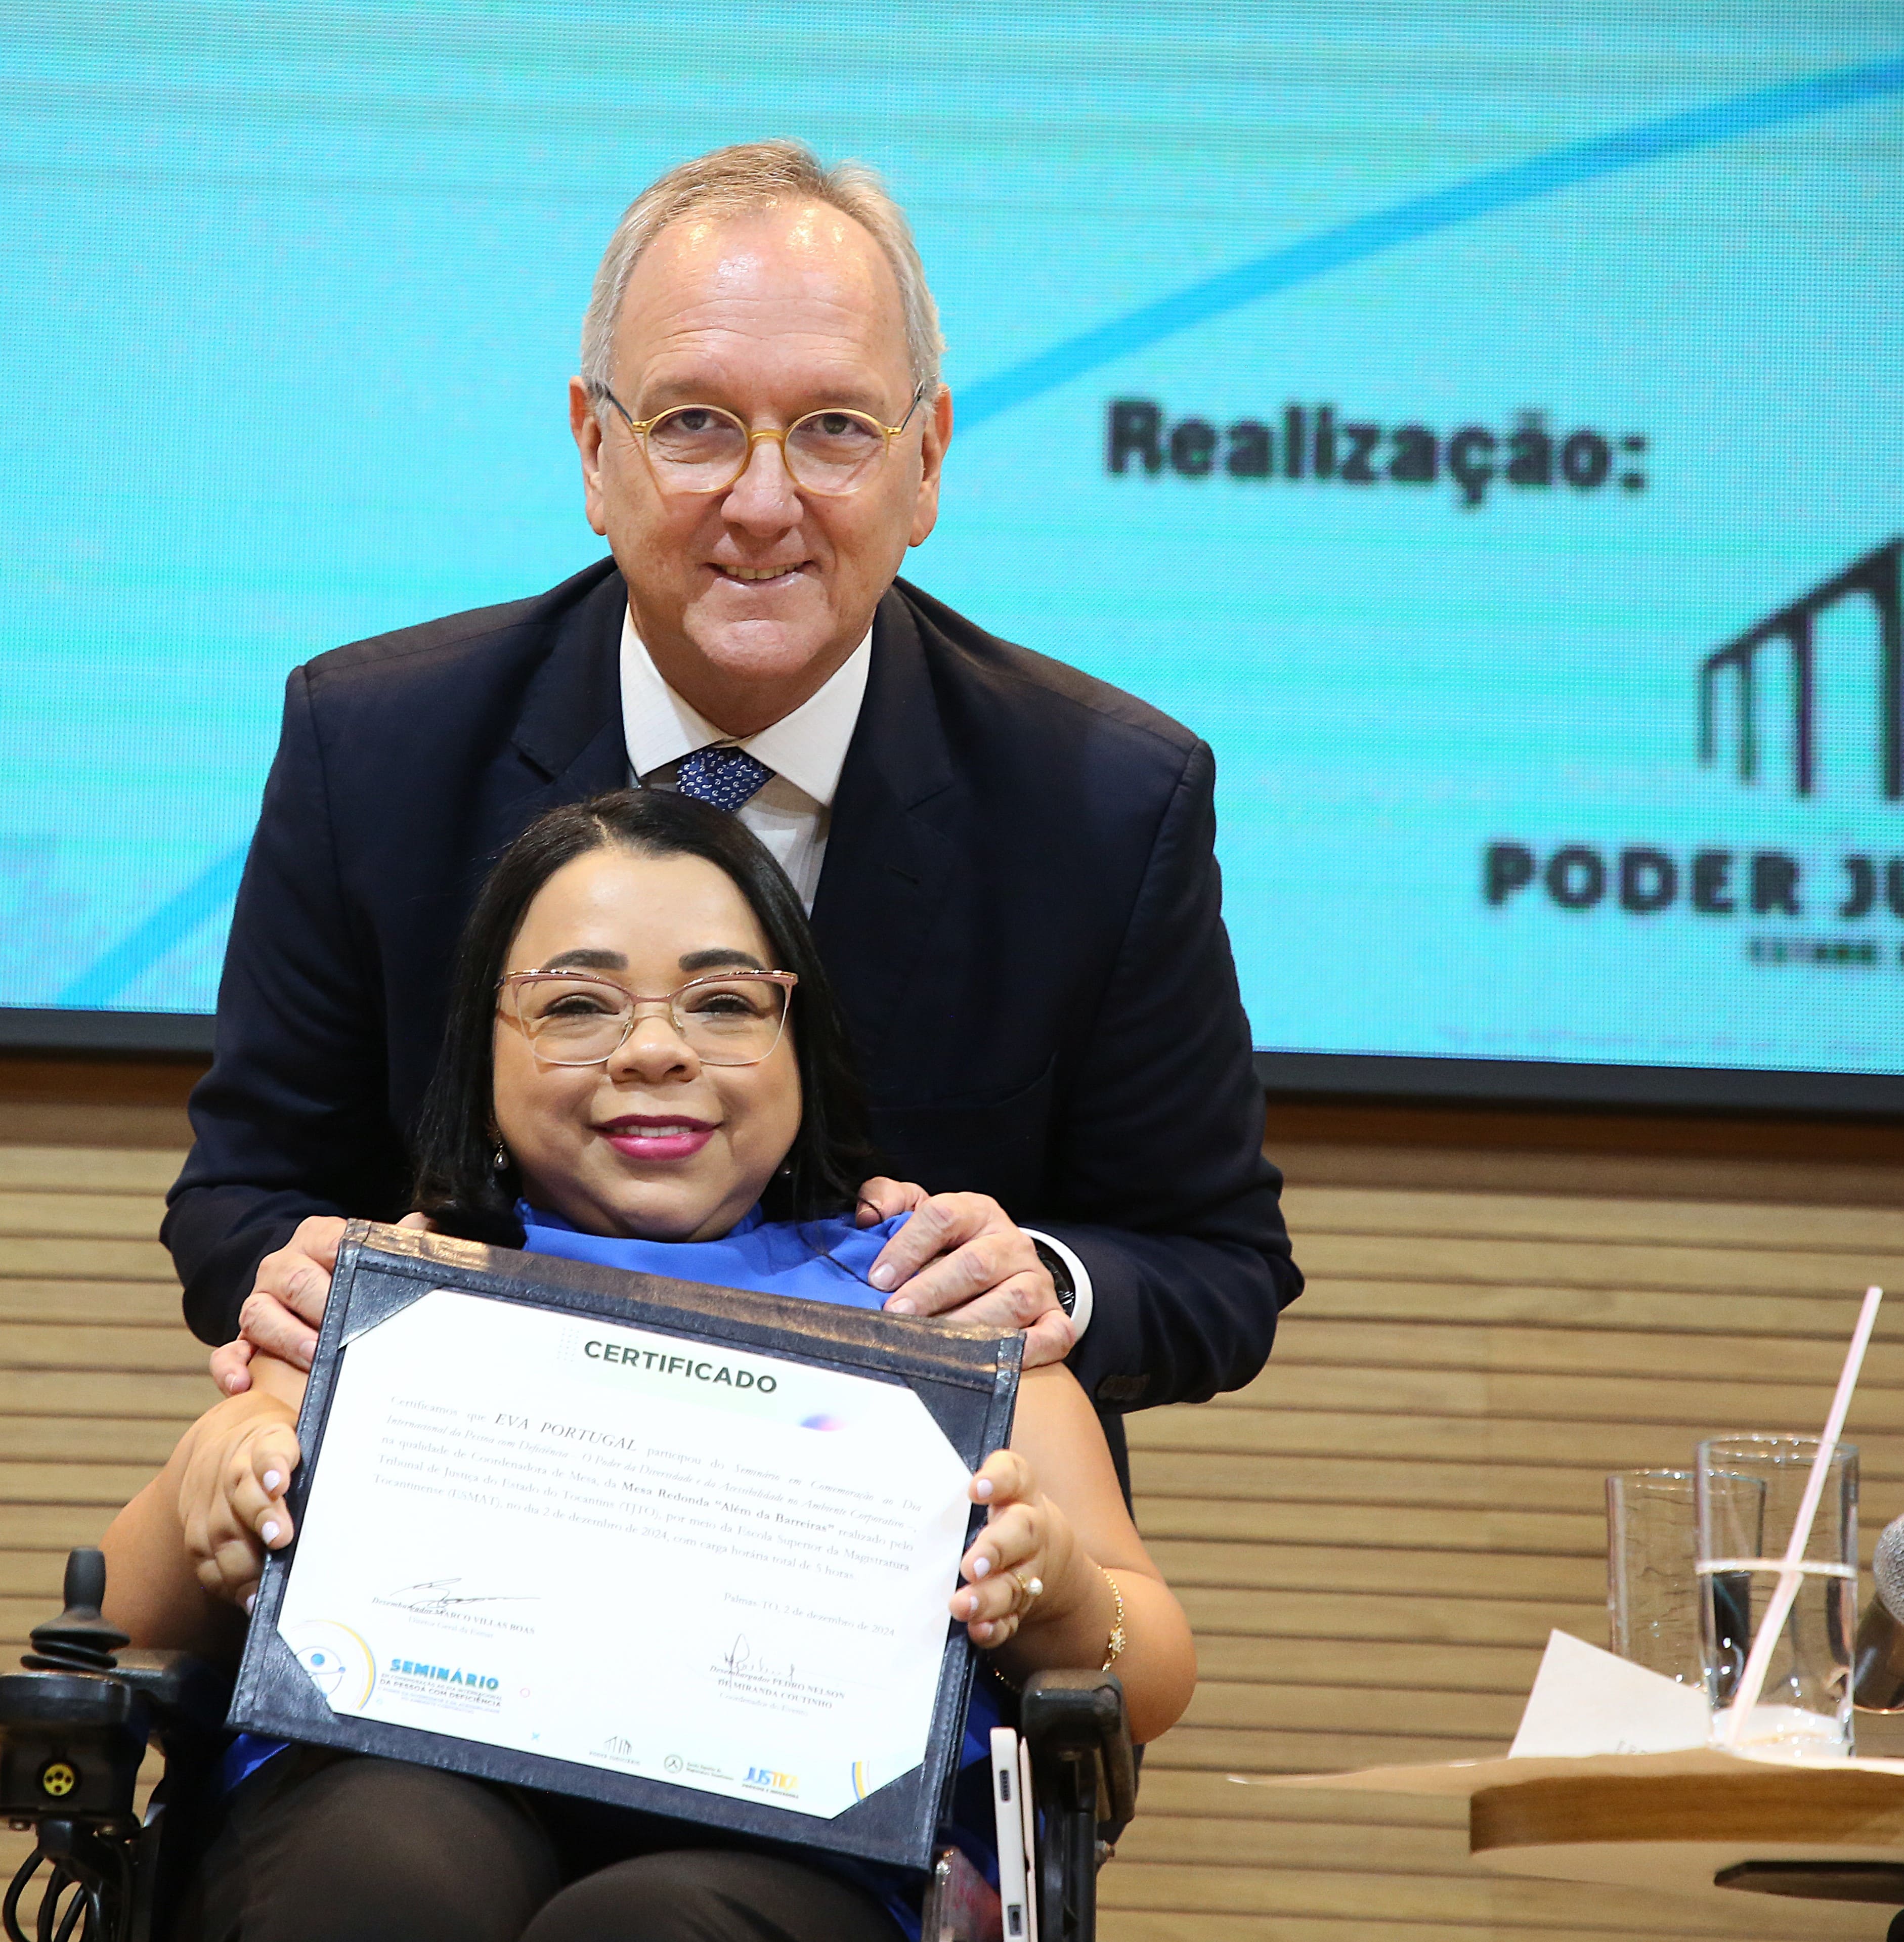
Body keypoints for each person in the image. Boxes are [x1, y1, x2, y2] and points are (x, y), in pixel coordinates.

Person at [166, 138, 1297, 1457]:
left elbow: (1220, 1266)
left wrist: (1042, 1282)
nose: (763, 504)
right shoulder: (374, 747)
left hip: (923, 1536)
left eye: (835, 429)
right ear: (595, 448)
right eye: (695, 423)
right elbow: (240, 1199)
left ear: (928, 461)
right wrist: (301, 1279)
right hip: (478, 1494)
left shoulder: (1105, 798)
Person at [102, 790, 1195, 1942]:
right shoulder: (392, 1289)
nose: (657, 1051)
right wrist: (216, 1475)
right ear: (483, 1048)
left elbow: (1151, 1672)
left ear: (801, 1044)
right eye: (577, 1005)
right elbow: (123, 1624)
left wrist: (1056, 1589)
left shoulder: (934, 1304)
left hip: (798, 1852)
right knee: (382, 1880)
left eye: (725, 1003)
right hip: (380, 1789)